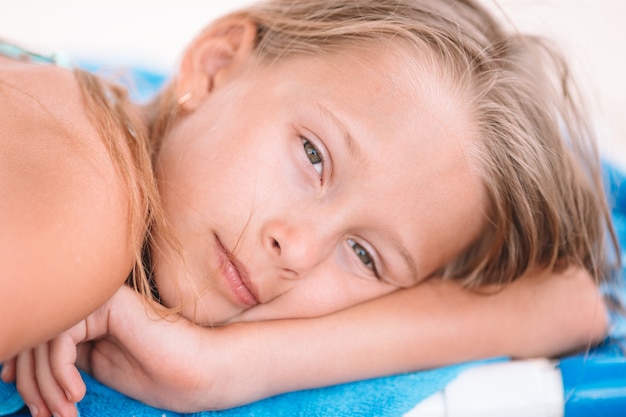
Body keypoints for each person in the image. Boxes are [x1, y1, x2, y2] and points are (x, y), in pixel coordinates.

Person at [0, 0, 619, 416]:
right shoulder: (91, 197)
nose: (296, 249)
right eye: (314, 157)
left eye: (363, 254)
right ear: (216, 67)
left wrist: (228, 365)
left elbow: (568, 304)